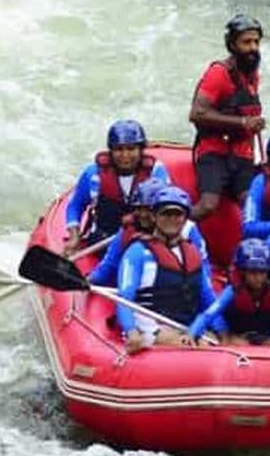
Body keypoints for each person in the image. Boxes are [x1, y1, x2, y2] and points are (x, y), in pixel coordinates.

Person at [117, 186, 217, 354]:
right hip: (149, 324)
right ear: (154, 217)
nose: (172, 219)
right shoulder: (137, 253)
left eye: (177, 214)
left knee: (213, 343)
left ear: (185, 219)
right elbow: (124, 298)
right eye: (165, 214)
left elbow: (208, 298)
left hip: (186, 325)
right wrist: (131, 331)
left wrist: (223, 330)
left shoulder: (193, 253)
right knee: (186, 346)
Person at [188, 14, 266, 220]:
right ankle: (171, 226)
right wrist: (243, 122)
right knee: (208, 205)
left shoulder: (252, 74)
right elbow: (197, 113)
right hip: (213, 150)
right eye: (246, 42)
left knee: (251, 203)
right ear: (232, 45)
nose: (253, 48)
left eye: (256, 42)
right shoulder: (219, 73)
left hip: (241, 153)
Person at [64, 119, 169, 254]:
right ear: (111, 151)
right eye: (119, 149)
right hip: (103, 241)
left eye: (131, 149)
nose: (125, 155)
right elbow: (75, 206)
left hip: (144, 241)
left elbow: (166, 208)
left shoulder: (155, 172)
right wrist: (74, 237)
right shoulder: (93, 174)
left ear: (141, 150)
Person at [88, 177, 212, 286]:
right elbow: (108, 267)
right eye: (139, 209)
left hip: (176, 291)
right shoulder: (128, 229)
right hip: (139, 290)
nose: (143, 215)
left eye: (147, 209)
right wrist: (87, 282)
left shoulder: (187, 229)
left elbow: (204, 270)